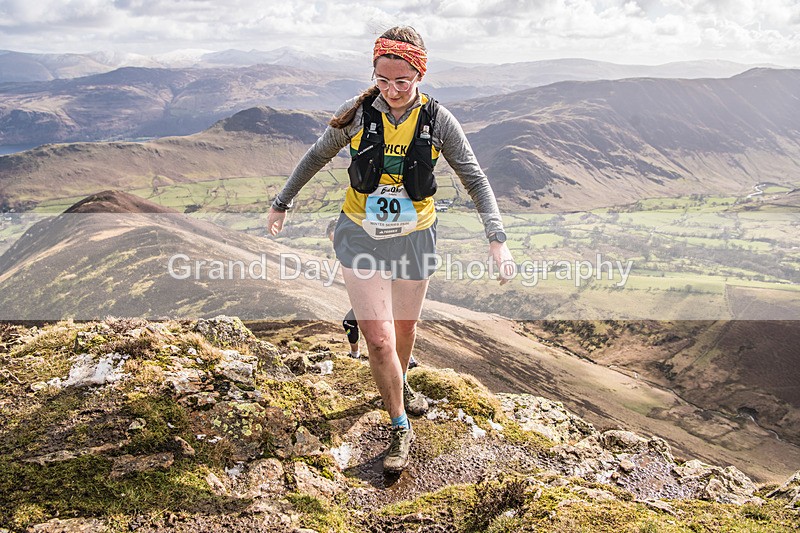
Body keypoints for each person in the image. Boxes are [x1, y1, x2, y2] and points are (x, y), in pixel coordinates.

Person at [268, 26, 515, 474]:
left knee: (404, 331)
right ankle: (400, 424)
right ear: (374, 74)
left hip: (415, 235)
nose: (393, 90)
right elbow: (315, 157)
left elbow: (475, 178)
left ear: (420, 74)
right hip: (359, 233)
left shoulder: (439, 121)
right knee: (379, 340)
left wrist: (496, 238)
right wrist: (281, 202)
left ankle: (398, 386)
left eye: (403, 81)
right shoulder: (358, 114)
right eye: (383, 80)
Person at [328, 218, 420, 368]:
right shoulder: (348, 249)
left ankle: (407, 360)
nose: (337, 245)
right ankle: (354, 355)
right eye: (334, 242)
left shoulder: (367, 242)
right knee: (350, 322)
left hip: (392, 286)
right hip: (377, 290)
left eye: (337, 240)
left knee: (394, 324)